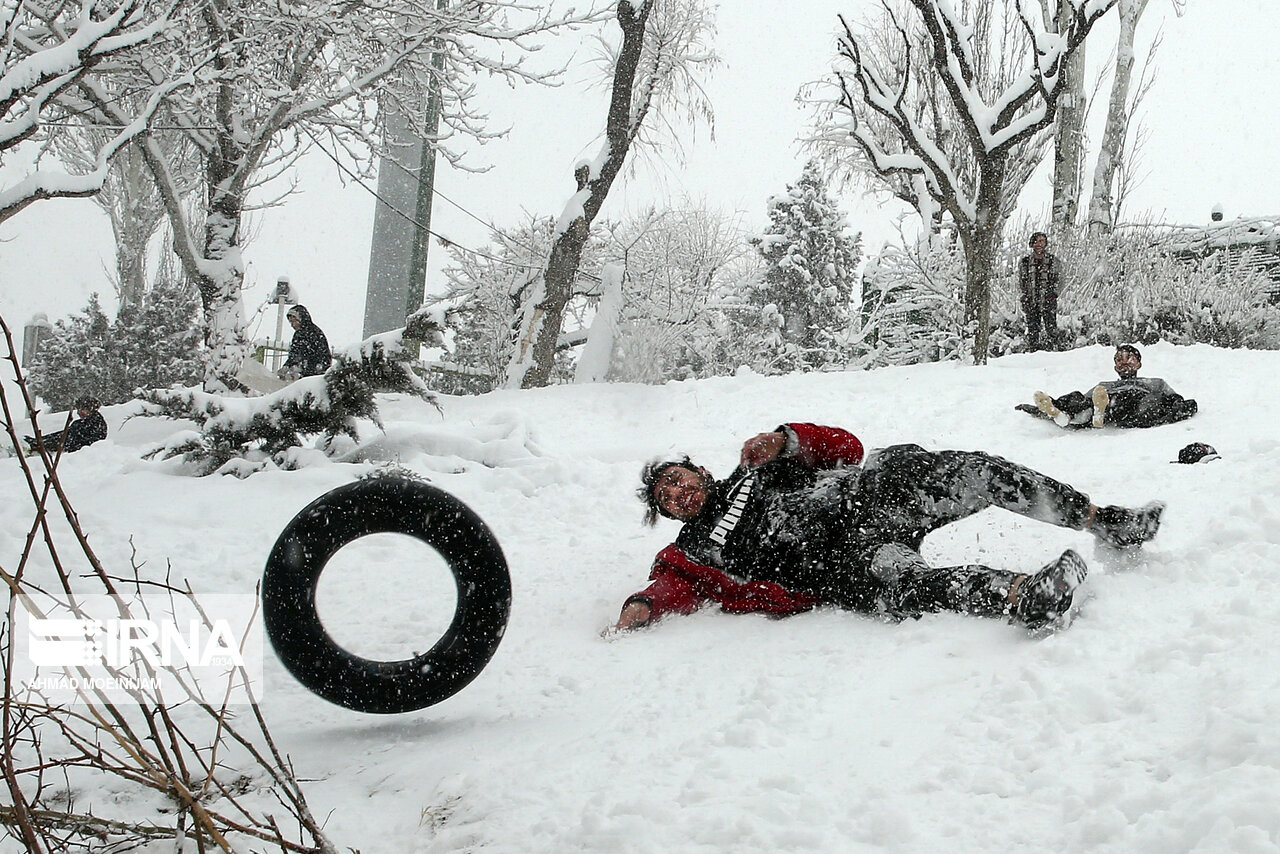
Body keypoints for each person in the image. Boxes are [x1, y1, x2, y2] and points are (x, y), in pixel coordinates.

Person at [612, 423, 1163, 634]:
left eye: (679, 480)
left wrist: (786, 440)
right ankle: (1025, 597)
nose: (679, 495)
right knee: (906, 580)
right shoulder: (694, 548)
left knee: (978, 471)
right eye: (667, 499)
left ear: (699, 471)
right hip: (840, 560)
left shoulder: (757, 465)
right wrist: (641, 606)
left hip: (870, 494)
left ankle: (1099, 520)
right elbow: (670, 584)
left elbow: (847, 449)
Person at [1018, 344, 1198, 429]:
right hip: (1110, 406)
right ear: (1115, 368)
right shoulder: (1104, 387)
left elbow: (1177, 401)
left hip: (1136, 409)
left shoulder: (1154, 383)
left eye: (1129, 359)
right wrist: (1039, 409)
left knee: (1146, 400)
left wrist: (1182, 408)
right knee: (1079, 397)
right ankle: (1063, 414)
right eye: (1119, 360)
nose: (1124, 363)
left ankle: (1097, 414)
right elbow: (1082, 400)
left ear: (1139, 364)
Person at [1018, 231, 1060, 351]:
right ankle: (1033, 353)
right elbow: (1021, 281)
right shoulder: (1025, 262)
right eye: (1036, 241)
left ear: (1046, 244)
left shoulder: (1053, 261)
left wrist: (1053, 293)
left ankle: (1054, 352)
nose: (1039, 244)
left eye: (1042, 241)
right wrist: (1025, 296)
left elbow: (1059, 280)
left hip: (1048, 300)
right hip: (1031, 301)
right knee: (1033, 330)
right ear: (1032, 244)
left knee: (1051, 328)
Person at [24, 395, 108, 454]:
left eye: (82, 409)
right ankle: (38, 442)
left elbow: (80, 441)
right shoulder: (81, 423)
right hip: (71, 444)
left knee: (61, 439)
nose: (79, 412)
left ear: (90, 409)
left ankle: (38, 444)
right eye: (78, 409)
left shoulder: (96, 424)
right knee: (60, 436)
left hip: (78, 449)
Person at [278, 305, 332, 380]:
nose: (292, 325)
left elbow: (323, 355)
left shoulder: (315, 333)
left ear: (301, 319)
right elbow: (294, 354)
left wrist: (314, 368)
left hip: (314, 375)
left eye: (294, 321)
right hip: (303, 374)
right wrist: (288, 366)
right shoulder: (298, 335)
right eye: (291, 322)